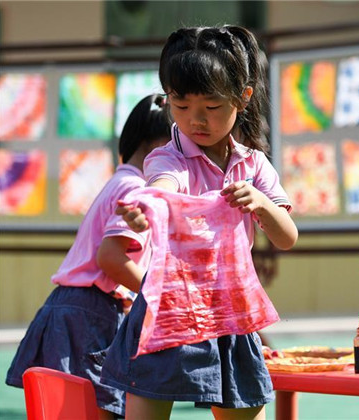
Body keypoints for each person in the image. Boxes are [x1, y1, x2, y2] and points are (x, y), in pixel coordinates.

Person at [100, 25, 298, 420]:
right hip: (169, 308)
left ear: (243, 98)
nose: (196, 120)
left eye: (211, 106)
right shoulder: (167, 157)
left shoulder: (254, 164)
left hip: (232, 311)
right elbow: (162, 188)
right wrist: (145, 208)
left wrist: (260, 202)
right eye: (181, 105)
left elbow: (287, 237)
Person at [5, 93, 171, 419]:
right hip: (88, 314)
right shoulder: (137, 189)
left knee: (68, 411)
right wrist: (160, 295)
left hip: (71, 308)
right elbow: (111, 258)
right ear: (159, 146)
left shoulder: (119, 180)